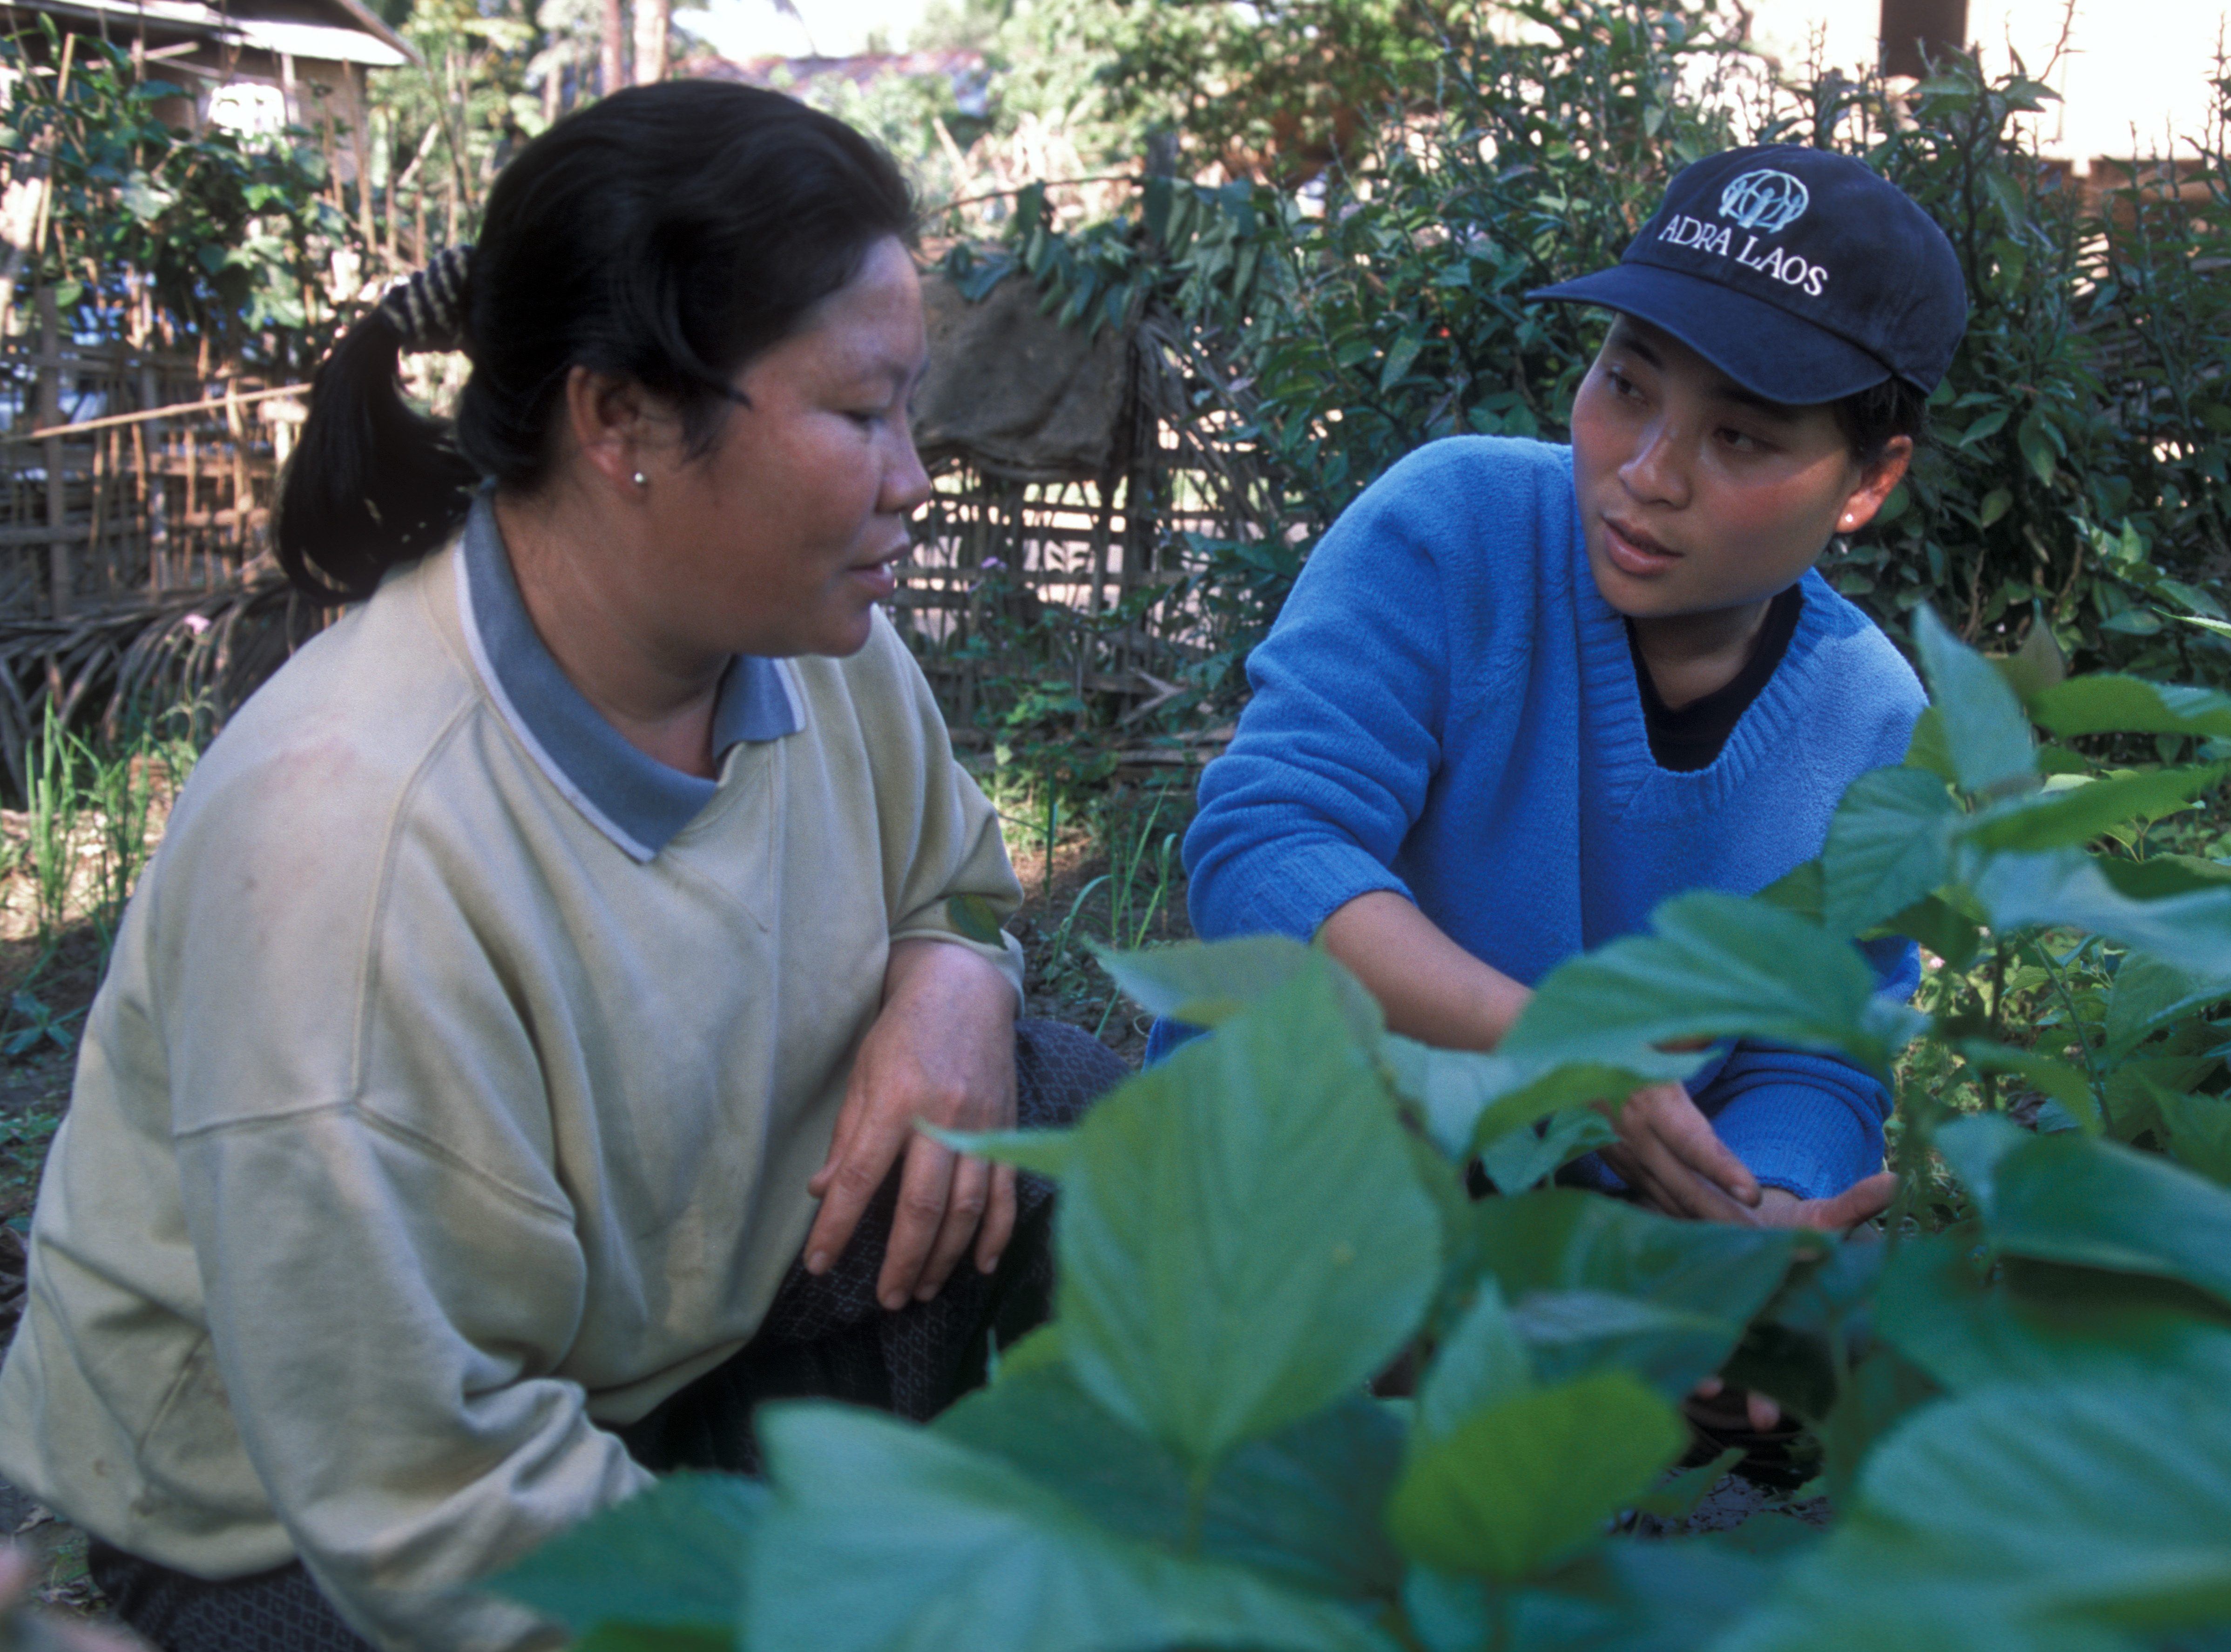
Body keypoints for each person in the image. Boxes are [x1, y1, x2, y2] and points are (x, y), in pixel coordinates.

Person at [0, 82, 1125, 1651]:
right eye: (861, 414)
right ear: (620, 422)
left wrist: (953, 974)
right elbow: (423, 1487)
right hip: (309, 1512)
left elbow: (959, 882)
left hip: (658, 1341)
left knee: (1079, 1116)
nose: (914, 477)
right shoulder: (352, 851)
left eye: (908, 409)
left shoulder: (816, 648)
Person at [1164, 145, 1968, 1245]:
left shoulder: (1869, 721)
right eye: (1627, 384)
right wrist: (1555, 1049)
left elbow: (1814, 1052)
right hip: (1288, 1168)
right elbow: (1266, 851)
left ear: (1869, 479)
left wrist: (1760, 1204)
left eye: (1738, 435)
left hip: (1585, 1253)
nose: (1648, 472)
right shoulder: (1452, 530)